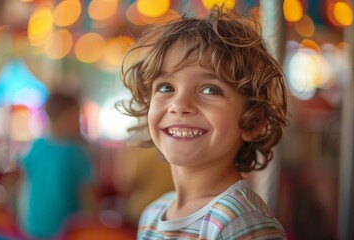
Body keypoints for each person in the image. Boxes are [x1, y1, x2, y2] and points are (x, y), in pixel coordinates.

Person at [118, 4, 290, 239]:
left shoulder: (237, 221)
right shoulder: (154, 213)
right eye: (166, 87)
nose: (179, 105)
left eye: (210, 90)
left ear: (253, 121)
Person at [17, 91, 95, 239]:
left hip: (35, 225)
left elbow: (21, 179)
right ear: (65, 117)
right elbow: (88, 193)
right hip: (65, 231)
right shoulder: (76, 153)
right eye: (76, 116)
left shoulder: (36, 147)